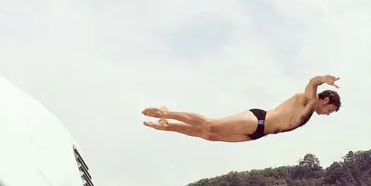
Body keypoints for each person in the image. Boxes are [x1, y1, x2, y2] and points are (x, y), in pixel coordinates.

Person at [142, 75, 341, 142]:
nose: (327, 114)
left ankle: (168, 125)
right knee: (209, 124)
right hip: (258, 120)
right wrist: (324, 79)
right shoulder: (309, 100)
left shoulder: (310, 109)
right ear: (325, 101)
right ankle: (165, 112)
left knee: (210, 135)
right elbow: (313, 82)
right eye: (330, 110)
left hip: (257, 134)